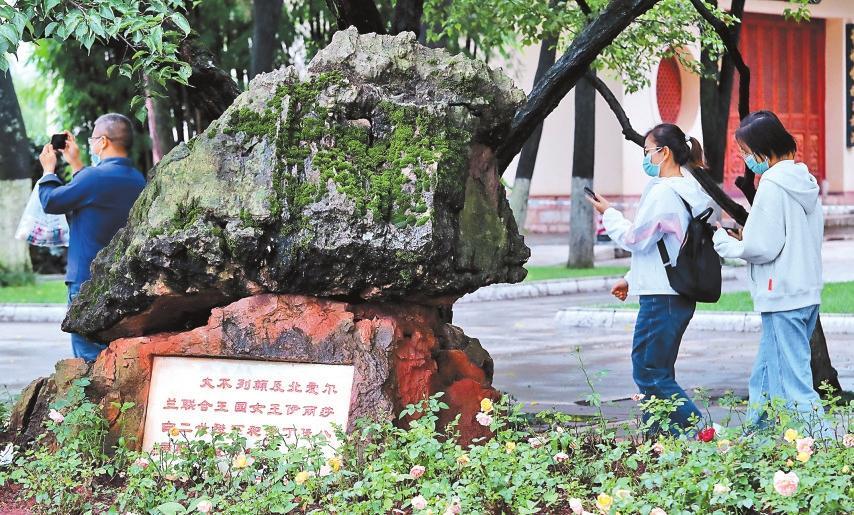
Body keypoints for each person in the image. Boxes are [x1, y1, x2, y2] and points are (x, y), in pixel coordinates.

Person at [588, 123, 712, 434]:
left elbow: (636, 238)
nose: (646, 158)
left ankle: (703, 431)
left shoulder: (665, 194)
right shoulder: (690, 190)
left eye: (648, 152)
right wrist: (632, 278)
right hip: (674, 292)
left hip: (662, 297)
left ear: (664, 152)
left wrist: (610, 214)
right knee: (658, 371)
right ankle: (661, 441)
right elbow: (665, 246)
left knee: (649, 371)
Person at [712, 111, 825, 430]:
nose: (747, 160)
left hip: (782, 297)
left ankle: (827, 452)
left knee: (794, 386)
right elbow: (791, 238)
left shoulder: (773, 185)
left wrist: (725, 243)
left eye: (747, 153)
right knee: (763, 378)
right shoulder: (804, 181)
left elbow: (762, 247)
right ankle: (755, 444)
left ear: (764, 150)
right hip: (804, 293)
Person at [37, 113, 146, 363]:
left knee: (89, 359)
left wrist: (48, 171)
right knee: (115, 357)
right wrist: (77, 166)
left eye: (93, 139)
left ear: (104, 142)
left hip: (86, 280)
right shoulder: (136, 178)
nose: (91, 145)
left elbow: (51, 201)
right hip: (121, 279)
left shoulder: (95, 177)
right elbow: (91, 197)